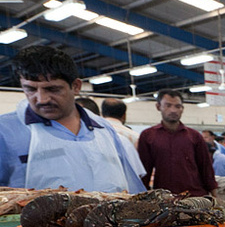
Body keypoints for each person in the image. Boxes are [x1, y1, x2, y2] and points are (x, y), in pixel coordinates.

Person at [0, 46, 145, 193]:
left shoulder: (103, 129)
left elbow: (132, 189)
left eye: (53, 89)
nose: (42, 99)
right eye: (30, 89)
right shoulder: (6, 132)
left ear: (76, 86)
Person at [137, 89, 217, 197]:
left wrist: (215, 197)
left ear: (182, 109)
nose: (173, 110)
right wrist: (142, 197)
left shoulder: (194, 136)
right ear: (158, 106)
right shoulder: (148, 136)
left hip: (195, 197)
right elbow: (144, 170)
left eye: (177, 106)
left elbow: (206, 167)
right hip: (164, 199)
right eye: (168, 105)